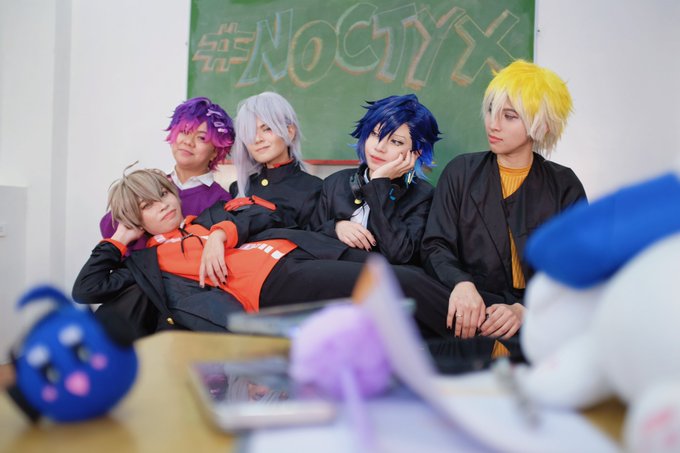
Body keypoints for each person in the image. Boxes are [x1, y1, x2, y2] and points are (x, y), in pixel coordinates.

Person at [418, 60, 587, 347]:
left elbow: (575, 265)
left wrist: (525, 310)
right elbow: (435, 244)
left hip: (537, 315)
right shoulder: (461, 171)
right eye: (490, 111)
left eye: (509, 116)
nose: (493, 124)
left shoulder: (564, 185)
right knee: (406, 281)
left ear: (542, 125)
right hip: (469, 303)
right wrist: (461, 283)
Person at [310, 94, 441, 264]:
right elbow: (308, 240)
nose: (379, 147)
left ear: (416, 152)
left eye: (396, 142)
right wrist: (335, 228)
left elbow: (401, 255)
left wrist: (379, 184)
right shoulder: (335, 183)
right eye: (374, 134)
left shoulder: (424, 197)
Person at [99, 97, 235, 250]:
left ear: (215, 151)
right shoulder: (151, 184)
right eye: (184, 131)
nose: (188, 142)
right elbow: (109, 226)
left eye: (201, 138)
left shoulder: (222, 200)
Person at [230, 91, 322, 226]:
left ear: (290, 132)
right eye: (249, 132)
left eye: (267, 129)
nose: (257, 139)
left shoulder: (314, 189)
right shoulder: (239, 188)